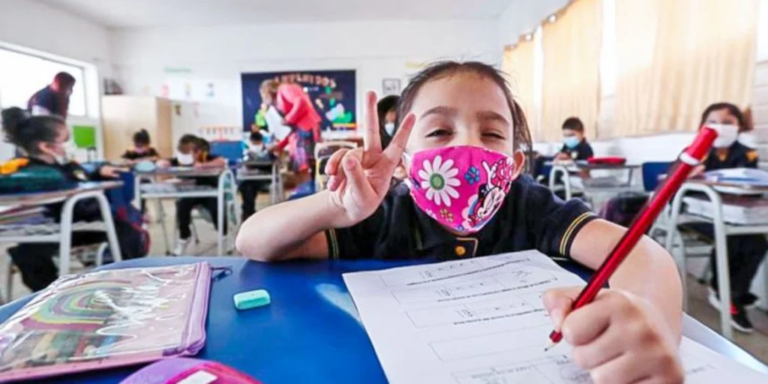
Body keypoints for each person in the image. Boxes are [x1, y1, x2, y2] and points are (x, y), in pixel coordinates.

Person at [237, 62, 684, 383]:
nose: (468, 144)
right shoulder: (383, 213)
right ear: (405, 161)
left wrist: (653, 327)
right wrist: (339, 208)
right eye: (439, 132)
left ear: (513, 164)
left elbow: (644, 256)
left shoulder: (530, 205)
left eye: (491, 133)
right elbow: (254, 241)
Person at [1, 107, 147, 291]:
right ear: (45, 146)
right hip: (65, 226)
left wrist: (97, 171)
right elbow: (74, 180)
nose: (71, 145)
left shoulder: (62, 167)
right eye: (66, 140)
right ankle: (54, 296)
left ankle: (129, 280)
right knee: (124, 230)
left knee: (27, 254)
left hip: (66, 227)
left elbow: (80, 173)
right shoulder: (33, 174)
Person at [683, 102, 766, 333]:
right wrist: (689, 175)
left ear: (739, 126)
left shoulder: (745, 153)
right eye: (713, 121)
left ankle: (733, 292)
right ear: (702, 126)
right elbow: (671, 186)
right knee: (730, 238)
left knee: (757, 242)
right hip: (694, 214)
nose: (720, 127)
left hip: (731, 215)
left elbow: (750, 185)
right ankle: (726, 293)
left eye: (728, 122)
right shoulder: (693, 152)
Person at [157, 135, 227, 256]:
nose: (186, 155)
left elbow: (221, 161)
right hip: (189, 193)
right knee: (181, 205)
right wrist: (163, 163)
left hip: (210, 193)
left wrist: (203, 165)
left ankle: (223, 234)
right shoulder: (181, 160)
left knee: (217, 207)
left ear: (198, 151)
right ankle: (184, 237)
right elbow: (162, 162)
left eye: (189, 152)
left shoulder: (206, 158)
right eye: (183, 152)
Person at [260, 80, 321, 195]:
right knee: (298, 166)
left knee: (303, 166)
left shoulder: (285, 88)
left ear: (267, 90)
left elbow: (301, 101)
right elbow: (290, 131)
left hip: (306, 128)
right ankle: (303, 195)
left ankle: (306, 197)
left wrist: (287, 119)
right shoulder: (278, 101)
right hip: (300, 131)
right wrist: (279, 145)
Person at [240, 131, 274, 220]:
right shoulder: (247, 153)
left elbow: (272, 165)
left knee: (249, 187)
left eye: (257, 143)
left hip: (264, 179)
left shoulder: (268, 152)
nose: (255, 145)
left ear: (261, 141)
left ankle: (248, 213)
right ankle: (248, 212)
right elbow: (245, 165)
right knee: (245, 186)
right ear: (250, 142)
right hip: (249, 179)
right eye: (254, 143)